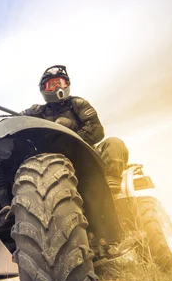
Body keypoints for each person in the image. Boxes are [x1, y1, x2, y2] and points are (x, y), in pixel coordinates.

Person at [21, 65, 129, 193]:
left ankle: (111, 186)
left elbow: (97, 130)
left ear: (67, 84)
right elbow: (16, 119)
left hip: (86, 155)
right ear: (44, 89)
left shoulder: (77, 104)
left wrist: (72, 138)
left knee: (115, 143)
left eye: (60, 83)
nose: (57, 88)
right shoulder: (38, 111)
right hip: (51, 162)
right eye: (52, 85)